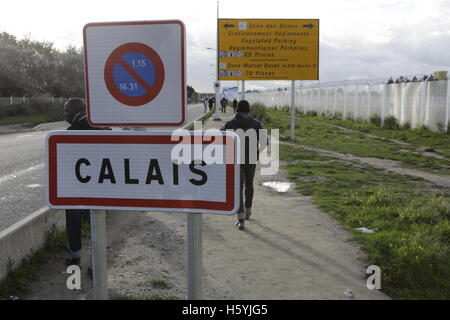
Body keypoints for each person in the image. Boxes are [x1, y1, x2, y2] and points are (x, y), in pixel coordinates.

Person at [63, 97, 106, 276]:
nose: (64, 114)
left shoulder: (72, 131)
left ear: (74, 111)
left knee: (74, 221)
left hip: (78, 186)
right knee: (97, 224)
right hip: (101, 185)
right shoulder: (101, 127)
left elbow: (66, 162)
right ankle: (95, 264)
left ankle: (75, 256)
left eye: (66, 111)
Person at [221, 100, 263, 230]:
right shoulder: (256, 124)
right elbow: (264, 140)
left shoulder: (229, 124)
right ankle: (248, 211)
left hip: (235, 159)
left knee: (238, 187)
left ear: (237, 109)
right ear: (249, 110)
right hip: (250, 158)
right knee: (249, 184)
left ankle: (241, 217)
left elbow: (220, 138)